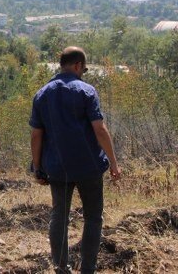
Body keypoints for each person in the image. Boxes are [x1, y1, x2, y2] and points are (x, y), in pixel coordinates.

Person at [30, 46, 122, 274]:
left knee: (59, 216)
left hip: (57, 167)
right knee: (93, 217)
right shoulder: (86, 91)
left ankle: (62, 267)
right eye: (84, 68)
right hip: (88, 166)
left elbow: (36, 135)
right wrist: (113, 162)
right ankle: (87, 269)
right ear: (78, 65)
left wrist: (37, 166)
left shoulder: (42, 94)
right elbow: (99, 130)